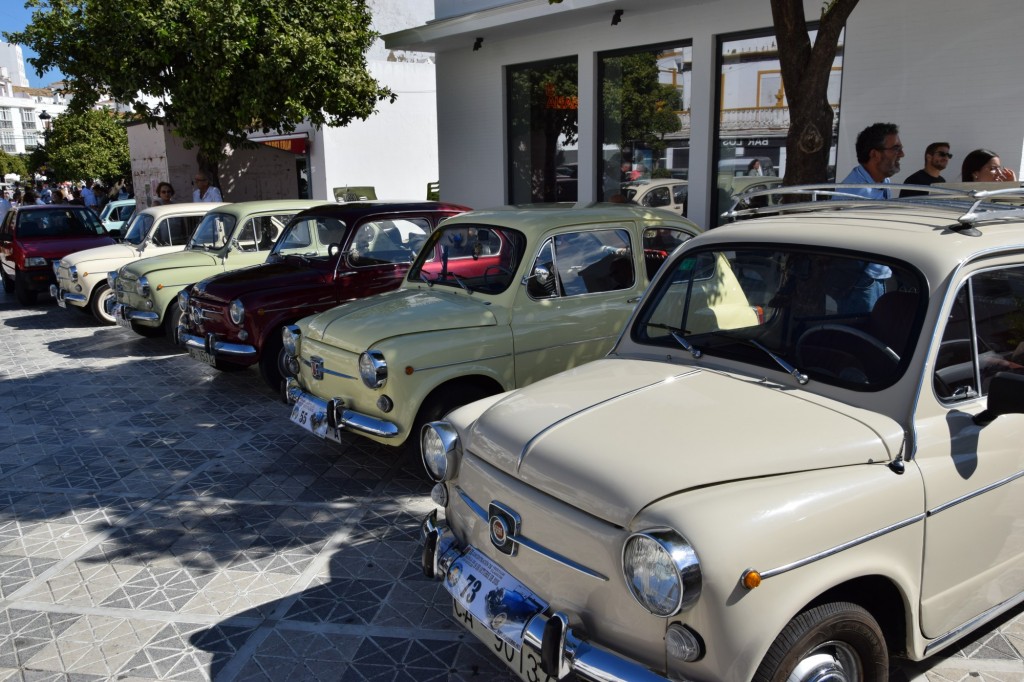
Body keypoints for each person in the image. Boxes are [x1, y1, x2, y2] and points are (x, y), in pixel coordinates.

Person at [837, 122, 904, 199]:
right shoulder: (854, 194)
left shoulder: (884, 180)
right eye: (896, 149)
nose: (902, 154)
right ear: (874, 154)